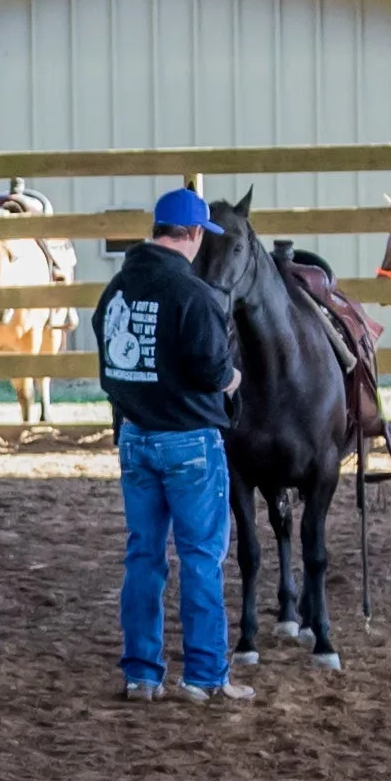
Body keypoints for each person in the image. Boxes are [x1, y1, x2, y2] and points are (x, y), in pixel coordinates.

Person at [97, 185, 244, 704]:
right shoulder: (194, 296)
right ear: (196, 235)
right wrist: (231, 380)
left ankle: (142, 672)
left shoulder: (116, 290)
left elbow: (112, 366)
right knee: (201, 557)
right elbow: (209, 370)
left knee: (144, 557)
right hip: (189, 443)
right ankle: (204, 676)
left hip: (136, 437)